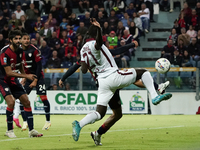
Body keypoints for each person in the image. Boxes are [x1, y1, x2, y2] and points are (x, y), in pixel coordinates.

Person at [70, 19, 172, 144]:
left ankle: (82, 126)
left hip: (102, 83)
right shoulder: (96, 44)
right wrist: (100, 29)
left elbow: (84, 70)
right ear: (96, 35)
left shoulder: (83, 50)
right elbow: (98, 44)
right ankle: (155, 95)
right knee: (143, 72)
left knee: (102, 113)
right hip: (113, 76)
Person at [0, 30, 43, 138]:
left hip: (13, 80)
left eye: (19, 38)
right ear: (10, 40)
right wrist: (26, 76)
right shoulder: (4, 52)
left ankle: (32, 130)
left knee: (26, 102)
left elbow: (19, 66)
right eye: (16, 39)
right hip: (3, 80)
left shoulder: (20, 51)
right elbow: (9, 72)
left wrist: (23, 75)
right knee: (11, 102)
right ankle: (9, 131)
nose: (18, 40)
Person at [12, 33, 51, 131]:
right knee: (22, 98)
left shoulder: (34, 50)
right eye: (24, 39)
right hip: (28, 76)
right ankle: (25, 122)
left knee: (43, 98)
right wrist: (24, 77)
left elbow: (39, 66)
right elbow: (21, 65)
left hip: (38, 77)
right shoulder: (19, 51)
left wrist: (36, 80)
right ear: (21, 40)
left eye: (28, 39)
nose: (26, 40)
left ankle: (48, 121)